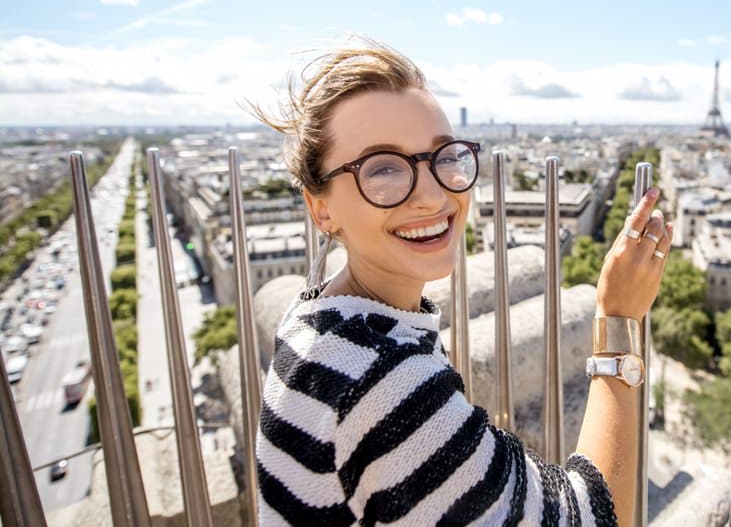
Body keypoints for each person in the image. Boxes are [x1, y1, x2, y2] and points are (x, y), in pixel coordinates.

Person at [252, 40, 671, 526]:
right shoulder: (382, 383)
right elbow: (594, 518)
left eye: (444, 156)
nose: (433, 196)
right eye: (382, 168)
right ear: (320, 208)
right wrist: (619, 320)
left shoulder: (314, 322)